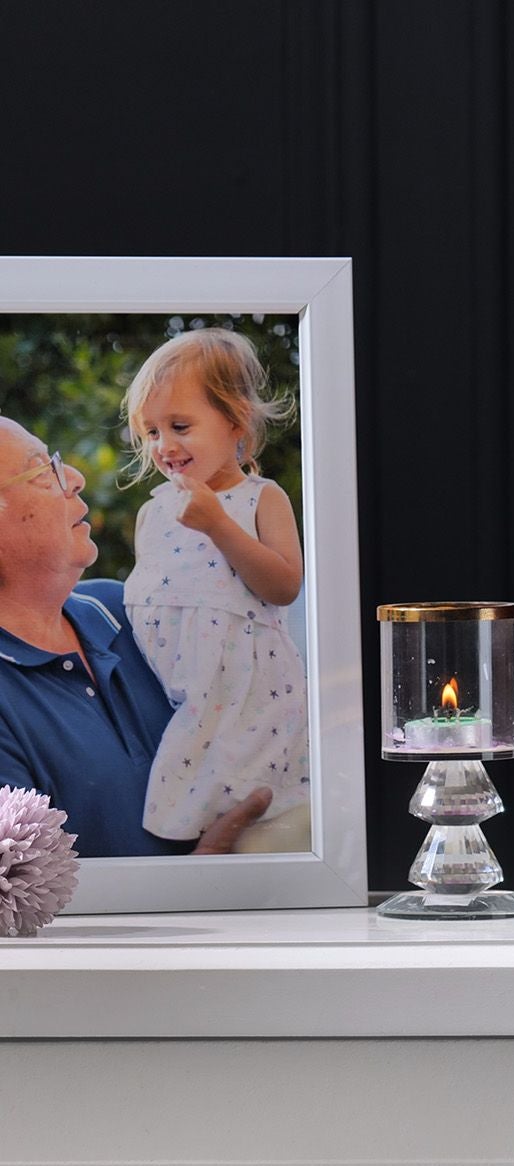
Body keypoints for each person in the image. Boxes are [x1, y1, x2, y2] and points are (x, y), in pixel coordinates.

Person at [0, 416, 270, 857]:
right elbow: (25, 890)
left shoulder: (124, 608)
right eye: (42, 471)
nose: (74, 478)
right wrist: (208, 872)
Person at [122, 329, 310, 849]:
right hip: (180, 699)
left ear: (235, 421)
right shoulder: (153, 512)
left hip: (249, 697)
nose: (164, 446)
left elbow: (284, 586)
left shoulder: (260, 498)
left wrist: (219, 526)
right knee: (186, 819)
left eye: (180, 426)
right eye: (152, 432)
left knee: (258, 812)